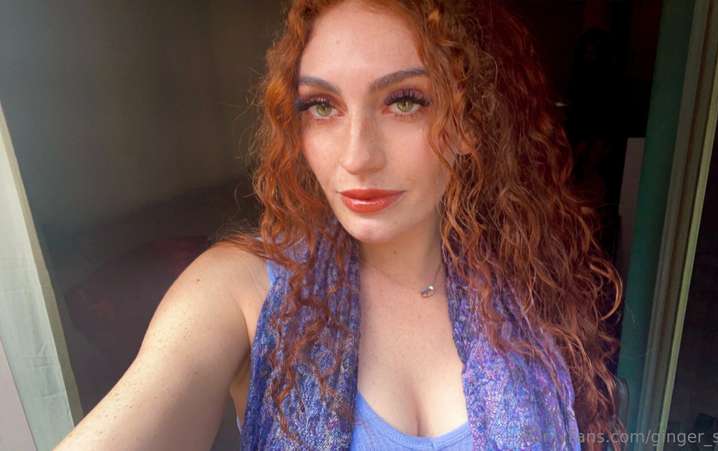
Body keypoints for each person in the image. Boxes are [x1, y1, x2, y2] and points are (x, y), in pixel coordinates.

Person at [56, 0, 624, 449]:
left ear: (469, 125)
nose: (357, 157)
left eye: (405, 101)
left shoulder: (525, 286)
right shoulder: (242, 289)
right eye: (322, 106)